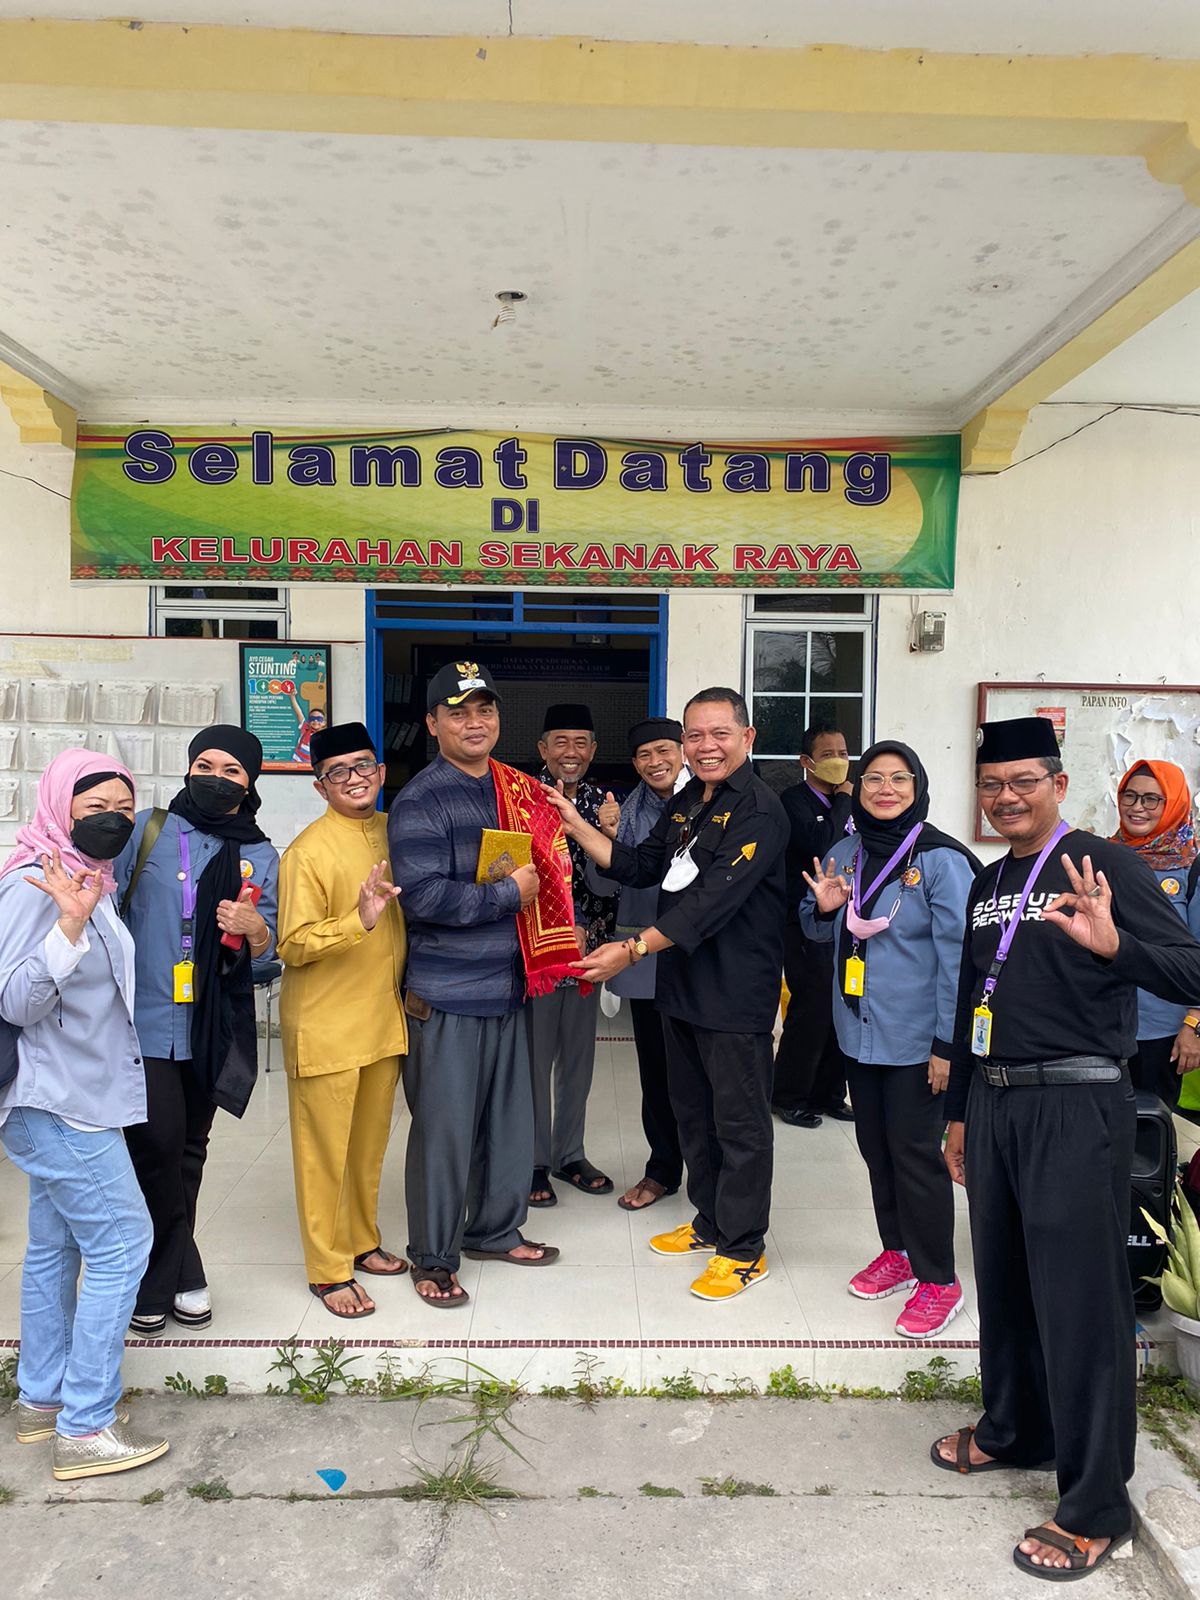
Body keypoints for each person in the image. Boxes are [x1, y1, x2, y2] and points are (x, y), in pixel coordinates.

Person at [933, 716, 1200, 1580]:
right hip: (997, 1101)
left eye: (1024, 781)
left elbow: (1191, 969)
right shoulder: (989, 880)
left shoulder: (1104, 863)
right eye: (992, 784)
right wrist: (963, 1112)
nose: (1006, 797)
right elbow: (975, 996)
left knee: (1081, 1305)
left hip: (1077, 1104)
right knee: (1006, 1282)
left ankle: (1095, 1506)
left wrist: (1117, 945)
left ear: (1058, 785)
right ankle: (1017, 1430)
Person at [543, 687, 788, 1302]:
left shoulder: (759, 809)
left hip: (733, 991)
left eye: (720, 734)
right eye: (695, 736)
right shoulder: (689, 801)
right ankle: (710, 1221)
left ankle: (743, 1248)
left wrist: (629, 950)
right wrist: (574, 824)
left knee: (739, 1123)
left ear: (747, 737)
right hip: (681, 984)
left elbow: (708, 904)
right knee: (694, 1112)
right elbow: (641, 864)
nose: (706, 747)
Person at [0, 750, 168, 1480]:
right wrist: (68, 927)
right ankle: (86, 1425)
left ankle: (42, 1400)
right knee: (124, 1245)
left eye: (125, 807)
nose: (114, 819)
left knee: (56, 1248)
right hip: (56, 1100)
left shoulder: (89, 878)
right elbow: (16, 1002)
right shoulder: (34, 883)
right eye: (95, 805)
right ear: (59, 805)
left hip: (79, 1096)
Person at [388, 661, 561, 1308]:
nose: (474, 722)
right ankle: (433, 1257)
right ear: (433, 724)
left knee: (508, 1124)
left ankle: (494, 1229)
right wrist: (507, 895)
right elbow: (423, 897)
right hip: (448, 997)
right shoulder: (422, 798)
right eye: (458, 712)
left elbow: (549, 873)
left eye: (484, 709)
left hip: (509, 986)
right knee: (446, 1132)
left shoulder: (516, 789)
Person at [801, 740, 978, 1337]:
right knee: (876, 1150)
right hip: (858, 1033)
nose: (885, 789)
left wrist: (948, 1046)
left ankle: (939, 1280)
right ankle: (897, 1253)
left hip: (918, 1041)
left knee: (915, 1156)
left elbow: (960, 963)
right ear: (857, 787)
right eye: (874, 778)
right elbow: (814, 927)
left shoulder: (941, 861)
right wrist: (826, 910)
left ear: (917, 787)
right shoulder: (845, 852)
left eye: (899, 779)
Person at [116, 725, 278, 1338]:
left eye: (231, 770)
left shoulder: (260, 854)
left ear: (249, 782)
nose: (215, 777)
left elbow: (264, 963)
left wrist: (255, 931)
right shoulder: (146, 832)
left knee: (189, 1151)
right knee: (155, 1148)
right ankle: (179, 1273)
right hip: (142, 1023)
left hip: (211, 1024)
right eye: (204, 765)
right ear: (188, 769)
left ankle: (163, 1278)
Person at [278, 721, 408, 1321]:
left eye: (363, 766)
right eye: (337, 772)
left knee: (366, 1146)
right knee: (324, 1154)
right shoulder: (306, 852)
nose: (354, 779)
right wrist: (359, 919)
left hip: (381, 1018)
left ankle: (361, 1239)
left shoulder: (391, 830)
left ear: (380, 772)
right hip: (326, 1024)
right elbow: (293, 944)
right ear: (320, 786)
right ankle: (328, 1269)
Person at [589, 717, 687, 1211]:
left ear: (683, 751)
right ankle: (663, 1169)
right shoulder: (626, 811)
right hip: (647, 960)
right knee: (656, 1073)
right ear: (634, 763)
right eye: (645, 755)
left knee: (707, 1073)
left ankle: (716, 1175)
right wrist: (608, 836)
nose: (656, 762)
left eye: (664, 750)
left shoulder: (710, 802)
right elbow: (604, 885)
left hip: (701, 959)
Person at [529, 703, 617, 1205]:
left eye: (581, 742)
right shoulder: (521, 797)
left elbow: (611, 883)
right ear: (542, 748)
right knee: (534, 1059)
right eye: (560, 742)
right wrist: (564, 926)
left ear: (593, 750)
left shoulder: (605, 803)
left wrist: (610, 835)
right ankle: (533, 1160)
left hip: (590, 954)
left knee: (579, 1059)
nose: (571, 752)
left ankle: (569, 1154)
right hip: (539, 952)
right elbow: (508, 869)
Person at [775, 723, 855, 1128]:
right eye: (828, 755)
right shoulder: (793, 802)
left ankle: (829, 1093)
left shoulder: (854, 802)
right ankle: (789, 1095)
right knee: (811, 1008)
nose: (838, 761)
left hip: (848, 922)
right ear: (806, 761)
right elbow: (823, 846)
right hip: (804, 922)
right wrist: (844, 800)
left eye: (843, 753)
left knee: (842, 1005)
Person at [1109, 759, 1200, 1111]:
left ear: (1173, 803)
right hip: (1101, 1024)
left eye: (1151, 799)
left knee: (1149, 1127)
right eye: (1129, 796)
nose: (1137, 807)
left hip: (1162, 1031)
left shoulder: (1190, 866)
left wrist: (1194, 1024)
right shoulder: (1103, 855)